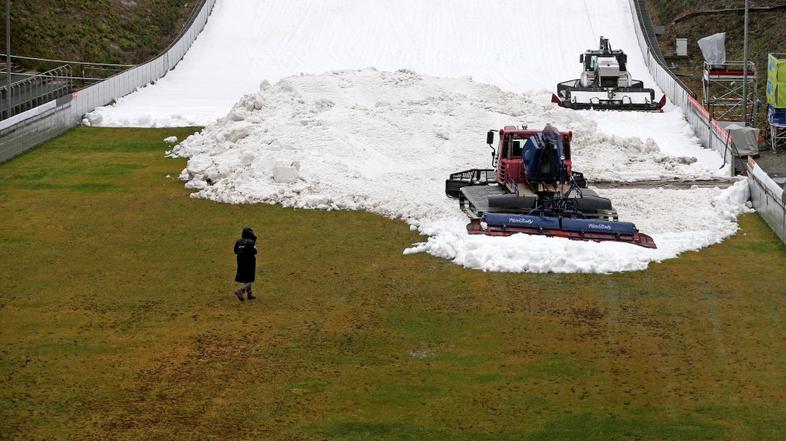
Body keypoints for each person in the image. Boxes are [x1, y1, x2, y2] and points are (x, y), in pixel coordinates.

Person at [233, 227, 258, 301]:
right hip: (249, 260)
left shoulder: (239, 241)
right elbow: (255, 251)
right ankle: (241, 290)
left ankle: (249, 293)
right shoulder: (251, 242)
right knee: (250, 278)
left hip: (240, 260)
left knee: (245, 277)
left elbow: (235, 250)